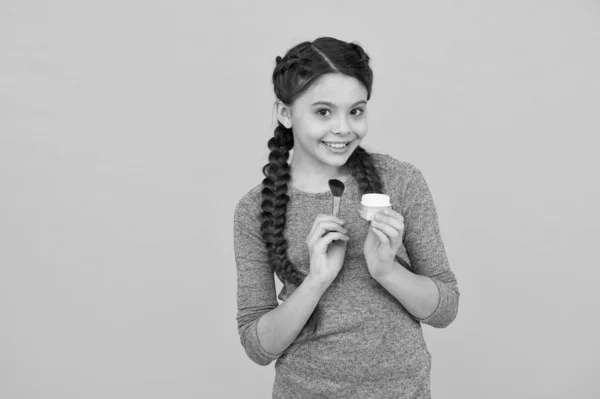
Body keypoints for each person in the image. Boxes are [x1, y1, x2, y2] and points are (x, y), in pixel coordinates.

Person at [233, 36, 460, 398]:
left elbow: (445, 308)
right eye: (323, 111)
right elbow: (257, 346)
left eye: (356, 111)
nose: (344, 128)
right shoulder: (253, 209)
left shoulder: (401, 181)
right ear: (285, 113)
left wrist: (386, 270)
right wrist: (316, 281)